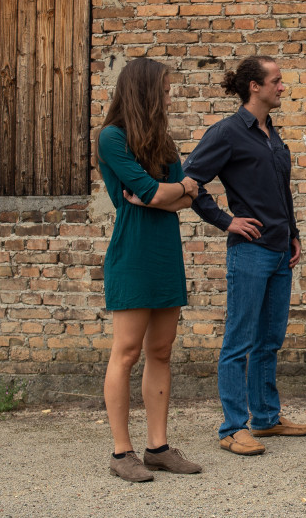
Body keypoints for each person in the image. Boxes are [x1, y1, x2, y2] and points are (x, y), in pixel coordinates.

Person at [183, 55, 306, 457]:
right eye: (276, 81)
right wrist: (226, 221)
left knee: (269, 340)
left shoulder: (271, 134)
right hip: (250, 253)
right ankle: (231, 428)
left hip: (279, 251)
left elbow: (281, 194)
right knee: (238, 342)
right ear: (254, 86)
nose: (282, 87)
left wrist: (293, 234)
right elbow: (191, 183)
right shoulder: (226, 133)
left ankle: (267, 418)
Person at [96, 57, 203, 482]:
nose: (168, 96)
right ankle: (122, 454)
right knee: (125, 353)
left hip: (164, 255)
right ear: (143, 92)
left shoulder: (164, 143)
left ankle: (157, 448)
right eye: (163, 89)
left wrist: (174, 191)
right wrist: (176, 189)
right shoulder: (111, 138)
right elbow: (151, 192)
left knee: (161, 352)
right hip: (133, 254)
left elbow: (180, 198)